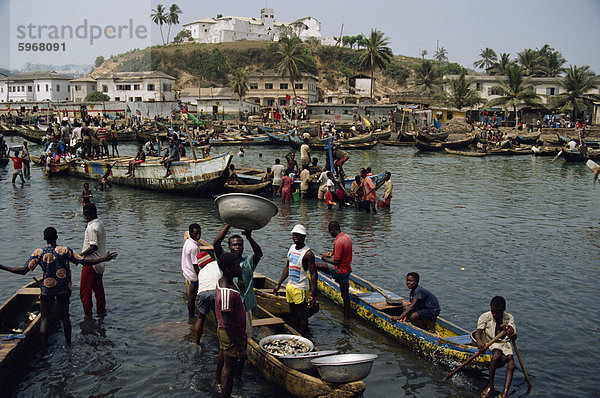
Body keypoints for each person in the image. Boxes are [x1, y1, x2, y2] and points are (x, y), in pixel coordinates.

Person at [0, 227, 117, 358]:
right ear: (56, 237)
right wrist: (103, 258)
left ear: (45, 239)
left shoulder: (39, 253)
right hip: (63, 289)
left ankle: (44, 353)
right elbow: (83, 261)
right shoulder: (65, 250)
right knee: (65, 317)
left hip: (47, 289)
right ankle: (68, 346)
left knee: (44, 319)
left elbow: (23, 270)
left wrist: (2, 266)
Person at [214, 224, 262, 377]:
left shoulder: (247, 262)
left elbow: (259, 253)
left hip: (244, 308)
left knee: (244, 341)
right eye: (234, 245)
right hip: (229, 308)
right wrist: (228, 223)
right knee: (226, 349)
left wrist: (249, 236)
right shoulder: (226, 263)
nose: (238, 247)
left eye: (240, 245)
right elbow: (216, 244)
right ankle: (220, 378)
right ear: (229, 247)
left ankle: (237, 377)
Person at [273, 225, 317, 336]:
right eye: (294, 234)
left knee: (302, 315)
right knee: (292, 313)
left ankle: (302, 336)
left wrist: (312, 294)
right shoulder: (292, 248)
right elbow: (287, 267)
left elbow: (313, 274)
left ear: (303, 236)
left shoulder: (308, 253)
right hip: (290, 286)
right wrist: (279, 284)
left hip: (301, 288)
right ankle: (293, 333)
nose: (295, 237)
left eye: (298, 235)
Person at [214, 252, 247, 398]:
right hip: (230, 333)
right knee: (229, 368)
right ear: (228, 269)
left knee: (228, 365)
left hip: (227, 331)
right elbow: (228, 322)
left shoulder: (224, 282)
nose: (239, 268)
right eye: (236, 266)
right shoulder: (227, 293)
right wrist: (239, 347)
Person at [474, 296, 517, 398]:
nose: (496, 314)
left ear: (504, 309)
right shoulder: (485, 316)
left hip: (504, 342)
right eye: (494, 312)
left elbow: (514, 337)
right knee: (496, 356)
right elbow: (477, 333)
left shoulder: (509, 318)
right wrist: (480, 343)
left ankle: (505, 393)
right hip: (490, 341)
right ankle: (490, 386)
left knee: (511, 362)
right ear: (491, 308)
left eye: (499, 312)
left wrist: (511, 333)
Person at [317, 221, 352, 319]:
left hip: (339, 271)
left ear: (333, 230)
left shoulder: (338, 241)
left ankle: (314, 293)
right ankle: (346, 318)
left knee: (316, 265)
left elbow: (336, 262)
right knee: (345, 295)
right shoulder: (346, 237)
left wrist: (325, 259)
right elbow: (343, 252)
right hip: (347, 270)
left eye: (330, 231)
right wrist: (332, 253)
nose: (330, 234)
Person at [79, 203, 108, 317]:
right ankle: (101, 312)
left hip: (90, 263)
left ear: (93, 213)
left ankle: (88, 315)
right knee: (99, 291)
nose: (86, 216)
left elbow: (93, 246)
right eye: (85, 214)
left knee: (85, 292)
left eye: (87, 214)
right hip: (100, 263)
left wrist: (79, 256)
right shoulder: (99, 224)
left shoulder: (91, 228)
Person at [194, 251, 221, 343]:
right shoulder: (217, 264)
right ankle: (221, 342)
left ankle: (196, 342)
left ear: (200, 265)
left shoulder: (201, 272)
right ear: (211, 259)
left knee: (200, 318)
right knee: (219, 319)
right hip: (216, 292)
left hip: (202, 293)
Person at [182, 223, 202, 319]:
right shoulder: (194, 247)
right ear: (190, 233)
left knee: (191, 297)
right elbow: (195, 265)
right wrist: (201, 278)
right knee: (192, 297)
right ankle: (191, 317)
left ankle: (191, 316)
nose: (198, 236)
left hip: (187, 272)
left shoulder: (188, 241)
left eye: (199, 233)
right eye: (195, 234)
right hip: (193, 276)